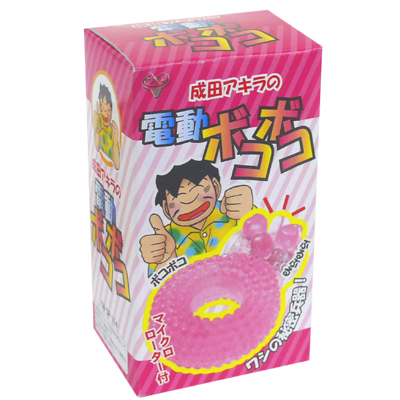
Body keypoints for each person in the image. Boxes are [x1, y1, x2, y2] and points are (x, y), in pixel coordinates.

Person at [140, 159, 254, 274]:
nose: (191, 204)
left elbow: (262, 248)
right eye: (177, 201)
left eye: (200, 192)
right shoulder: (165, 239)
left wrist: (247, 216)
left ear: (216, 187)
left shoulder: (235, 213)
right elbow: (155, 282)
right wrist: (165, 261)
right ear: (166, 208)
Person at [93, 83, 120, 170]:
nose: (106, 114)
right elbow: (97, 148)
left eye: (108, 110)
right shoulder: (97, 120)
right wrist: (97, 131)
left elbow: (117, 165)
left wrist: (115, 144)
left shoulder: (113, 130)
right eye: (104, 110)